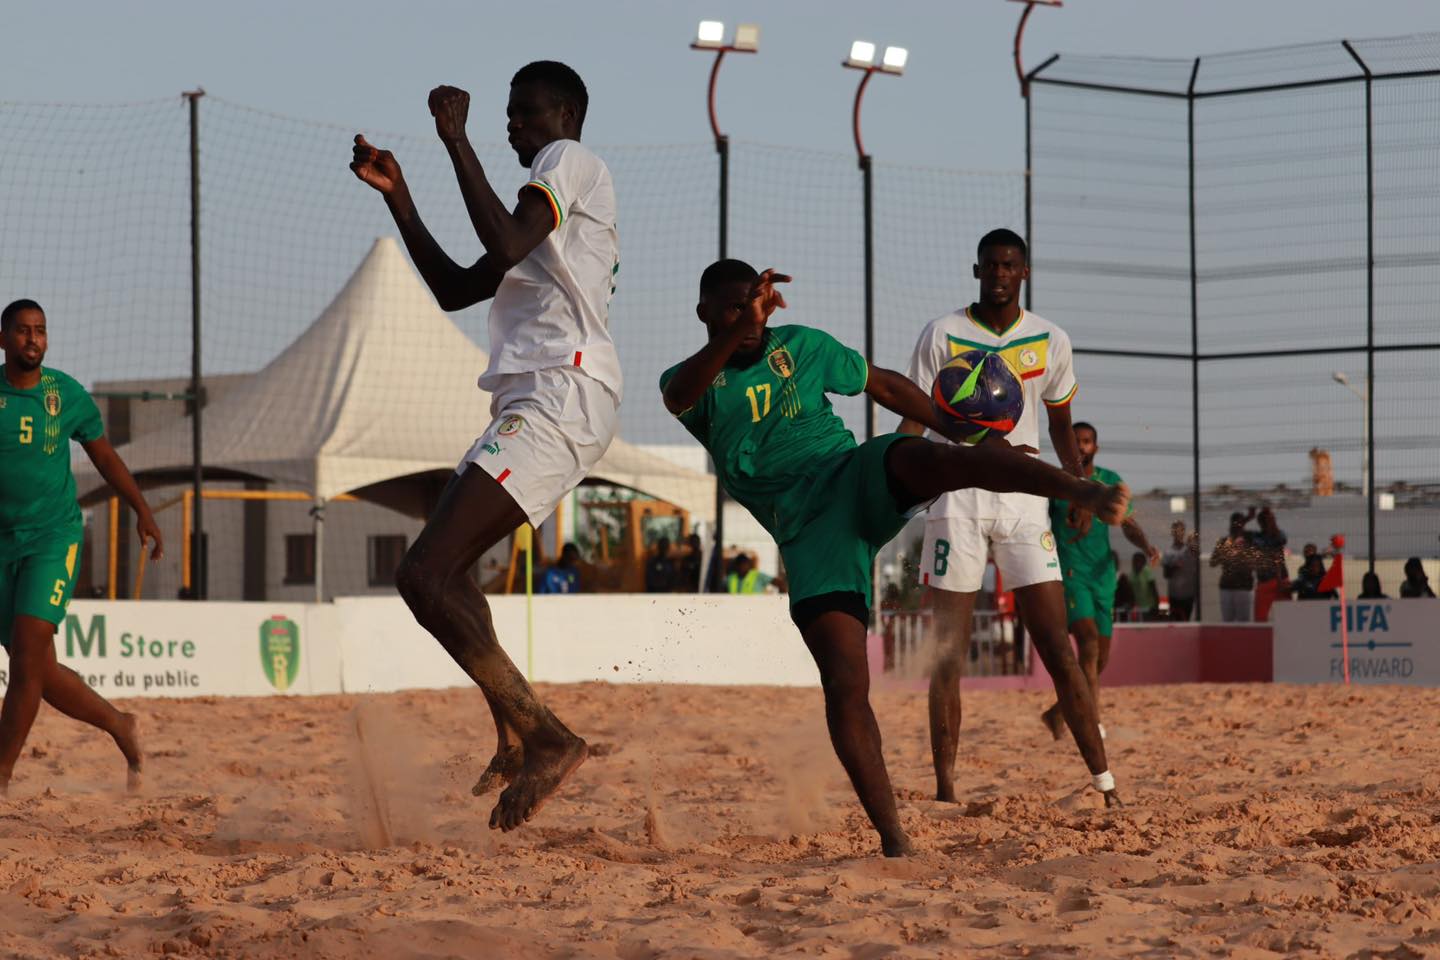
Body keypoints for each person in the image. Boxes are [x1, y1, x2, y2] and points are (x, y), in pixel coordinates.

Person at [660, 259, 1129, 855]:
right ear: (705, 313)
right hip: (808, 533)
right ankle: (895, 841)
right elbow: (680, 395)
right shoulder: (689, 380)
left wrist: (949, 424)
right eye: (731, 309)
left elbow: (881, 383)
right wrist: (741, 326)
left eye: (752, 304)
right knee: (846, 684)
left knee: (936, 455)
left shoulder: (803, 345)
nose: (747, 318)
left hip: (852, 474)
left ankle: (1080, 488)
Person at [351, 62, 620, 831]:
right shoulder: (540, 206)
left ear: (565, 111)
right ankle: (516, 726)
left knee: (423, 573)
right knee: (446, 574)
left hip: (562, 392)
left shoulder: (568, 163)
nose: (514, 124)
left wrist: (455, 140)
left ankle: (547, 737)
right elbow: (454, 285)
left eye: (525, 112)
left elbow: (500, 241)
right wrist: (399, 195)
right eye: (507, 115)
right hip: (530, 398)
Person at [899, 229, 1109, 806]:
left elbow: (1062, 424)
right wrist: (894, 479)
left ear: (1024, 273)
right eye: (990, 264)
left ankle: (1104, 783)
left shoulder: (1051, 338)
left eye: (1009, 265)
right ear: (976, 270)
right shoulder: (942, 333)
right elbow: (913, 415)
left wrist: (1080, 490)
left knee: (1058, 649)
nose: (999, 272)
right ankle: (945, 791)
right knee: (948, 654)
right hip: (957, 499)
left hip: (1023, 503)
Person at [0, 299, 161, 792]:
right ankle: (120, 724)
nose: (33, 339)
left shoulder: (63, 393)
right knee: (38, 670)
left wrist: (141, 508)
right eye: (24, 331)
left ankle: (1, 777)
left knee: (28, 655)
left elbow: (105, 456)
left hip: (54, 537)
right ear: (4, 338)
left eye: (41, 331)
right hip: (2, 544)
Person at [1042, 422, 1158, 738]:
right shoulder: (1055, 483)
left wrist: (1145, 545)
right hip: (1069, 574)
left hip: (1103, 576)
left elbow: (1127, 522)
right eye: (1075, 441)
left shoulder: (1109, 482)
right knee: (1089, 644)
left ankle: (1058, 712)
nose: (1080, 446)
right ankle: (1091, 725)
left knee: (1099, 658)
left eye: (1086, 441)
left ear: (1096, 446)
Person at [1211, 513, 1256, 622]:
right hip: (1227, 587)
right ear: (1231, 524)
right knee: (1227, 621)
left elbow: (1255, 562)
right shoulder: (1224, 542)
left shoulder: (1249, 540)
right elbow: (1213, 562)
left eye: (1240, 523)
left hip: (1243, 587)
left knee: (1243, 622)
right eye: (1235, 523)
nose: (1237, 526)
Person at [1248, 507, 1288, 622]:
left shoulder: (1279, 535)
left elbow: (1281, 540)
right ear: (1261, 523)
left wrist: (1271, 519)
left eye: (1272, 519)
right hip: (1265, 582)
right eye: (1267, 520)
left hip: (1281, 580)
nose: (1270, 522)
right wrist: (1249, 517)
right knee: (1260, 619)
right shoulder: (1256, 537)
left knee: (1287, 616)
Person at [1162, 522, 1200, 621]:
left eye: (1180, 530)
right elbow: (1166, 574)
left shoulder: (1190, 550)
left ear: (1183, 532)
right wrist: (1175, 566)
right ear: (1172, 533)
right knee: (1175, 623)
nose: (1178, 533)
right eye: (1175, 530)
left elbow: (1197, 554)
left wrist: (1191, 542)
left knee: (1186, 622)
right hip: (1173, 596)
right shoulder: (1168, 552)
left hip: (1189, 595)